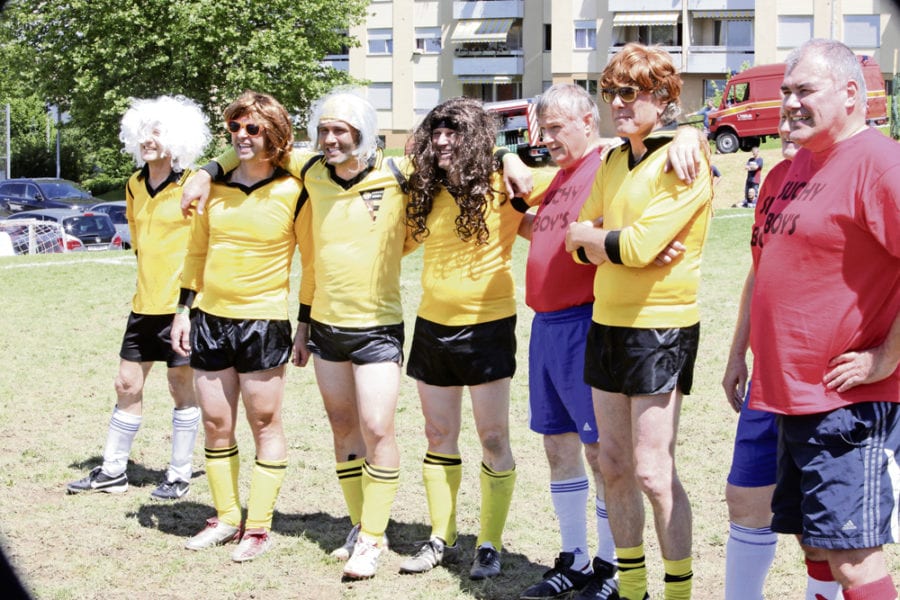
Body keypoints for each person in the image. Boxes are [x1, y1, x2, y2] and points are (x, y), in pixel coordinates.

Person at [178, 89, 534, 578]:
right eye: (323, 130)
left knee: (378, 427)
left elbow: (456, 150)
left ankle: (375, 537)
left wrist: (506, 154)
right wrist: (204, 171)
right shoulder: (310, 170)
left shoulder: (399, 174)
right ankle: (362, 526)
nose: (329, 139)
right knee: (343, 429)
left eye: (340, 130)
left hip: (380, 326)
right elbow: (262, 145)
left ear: (364, 135)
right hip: (325, 326)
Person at [516, 84, 703, 600]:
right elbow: (559, 234)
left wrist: (691, 130)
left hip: (591, 322)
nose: (547, 137)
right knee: (560, 447)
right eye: (542, 128)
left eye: (556, 127)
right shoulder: (562, 177)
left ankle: (610, 565)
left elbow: (632, 242)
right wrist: (512, 181)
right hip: (547, 326)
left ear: (584, 121)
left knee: (610, 457)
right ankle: (576, 558)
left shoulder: (605, 161)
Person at [748, 38, 900, 599]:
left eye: (804, 90)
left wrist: (886, 356)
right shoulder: (796, 167)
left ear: (851, 94)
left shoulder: (880, 165)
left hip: (850, 403)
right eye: (785, 90)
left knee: (854, 557)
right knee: (815, 542)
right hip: (793, 393)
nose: (789, 102)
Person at [565, 42, 713, 600]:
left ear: (663, 96)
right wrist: (601, 242)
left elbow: (640, 244)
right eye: (611, 94)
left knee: (653, 472)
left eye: (630, 93)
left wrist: (609, 243)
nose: (618, 104)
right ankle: (632, 590)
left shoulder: (685, 157)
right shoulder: (610, 160)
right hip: (606, 323)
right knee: (613, 462)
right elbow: (576, 240)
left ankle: (677, 593)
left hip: (661, 327)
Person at [399, 96, 548, 581]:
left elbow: (581, 173)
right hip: (431, 326)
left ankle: (489, 542)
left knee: (492, 436)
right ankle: (440, 536)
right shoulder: (423, 188)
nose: (442, 140)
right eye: (436, 131)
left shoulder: (506, 185)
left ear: (476, 138)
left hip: (488, 326)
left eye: (453, 131)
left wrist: (508, 158)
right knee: (438, 435)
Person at [172, 90, 303, 563]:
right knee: (215, 422)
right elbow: (196, 254)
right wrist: (183, 310)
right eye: (234, 127)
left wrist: (304, 322)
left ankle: (259, 526)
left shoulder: (295, 187)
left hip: (264, 322)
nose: (242, 136)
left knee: (264, 421)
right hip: (210, 319)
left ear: (273, 132)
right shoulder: (211, 189)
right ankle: (226, 516)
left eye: (252, 128)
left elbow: (313, 259)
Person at [722, 115, 845, 600]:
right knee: (745, 500)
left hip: (827, 386)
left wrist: (883, 357)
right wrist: (736, 353)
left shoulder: (858, 173)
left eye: (803, 114)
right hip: (768, 380)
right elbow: (760, 271)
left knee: (820, 530)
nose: (789, 126)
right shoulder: (774, 179)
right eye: (784, 119)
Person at [66, 95, 210, 500]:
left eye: (157, 131)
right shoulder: (133, 184)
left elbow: (205, 245)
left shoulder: (195, 182)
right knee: (126, 384)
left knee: (181, 385)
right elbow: (137, 239)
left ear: (178, 138)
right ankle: (113, 471)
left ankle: (179, 473)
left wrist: (188, 301)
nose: (148, 139)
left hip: (184, 307)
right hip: (143, 305)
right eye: (142, 132)